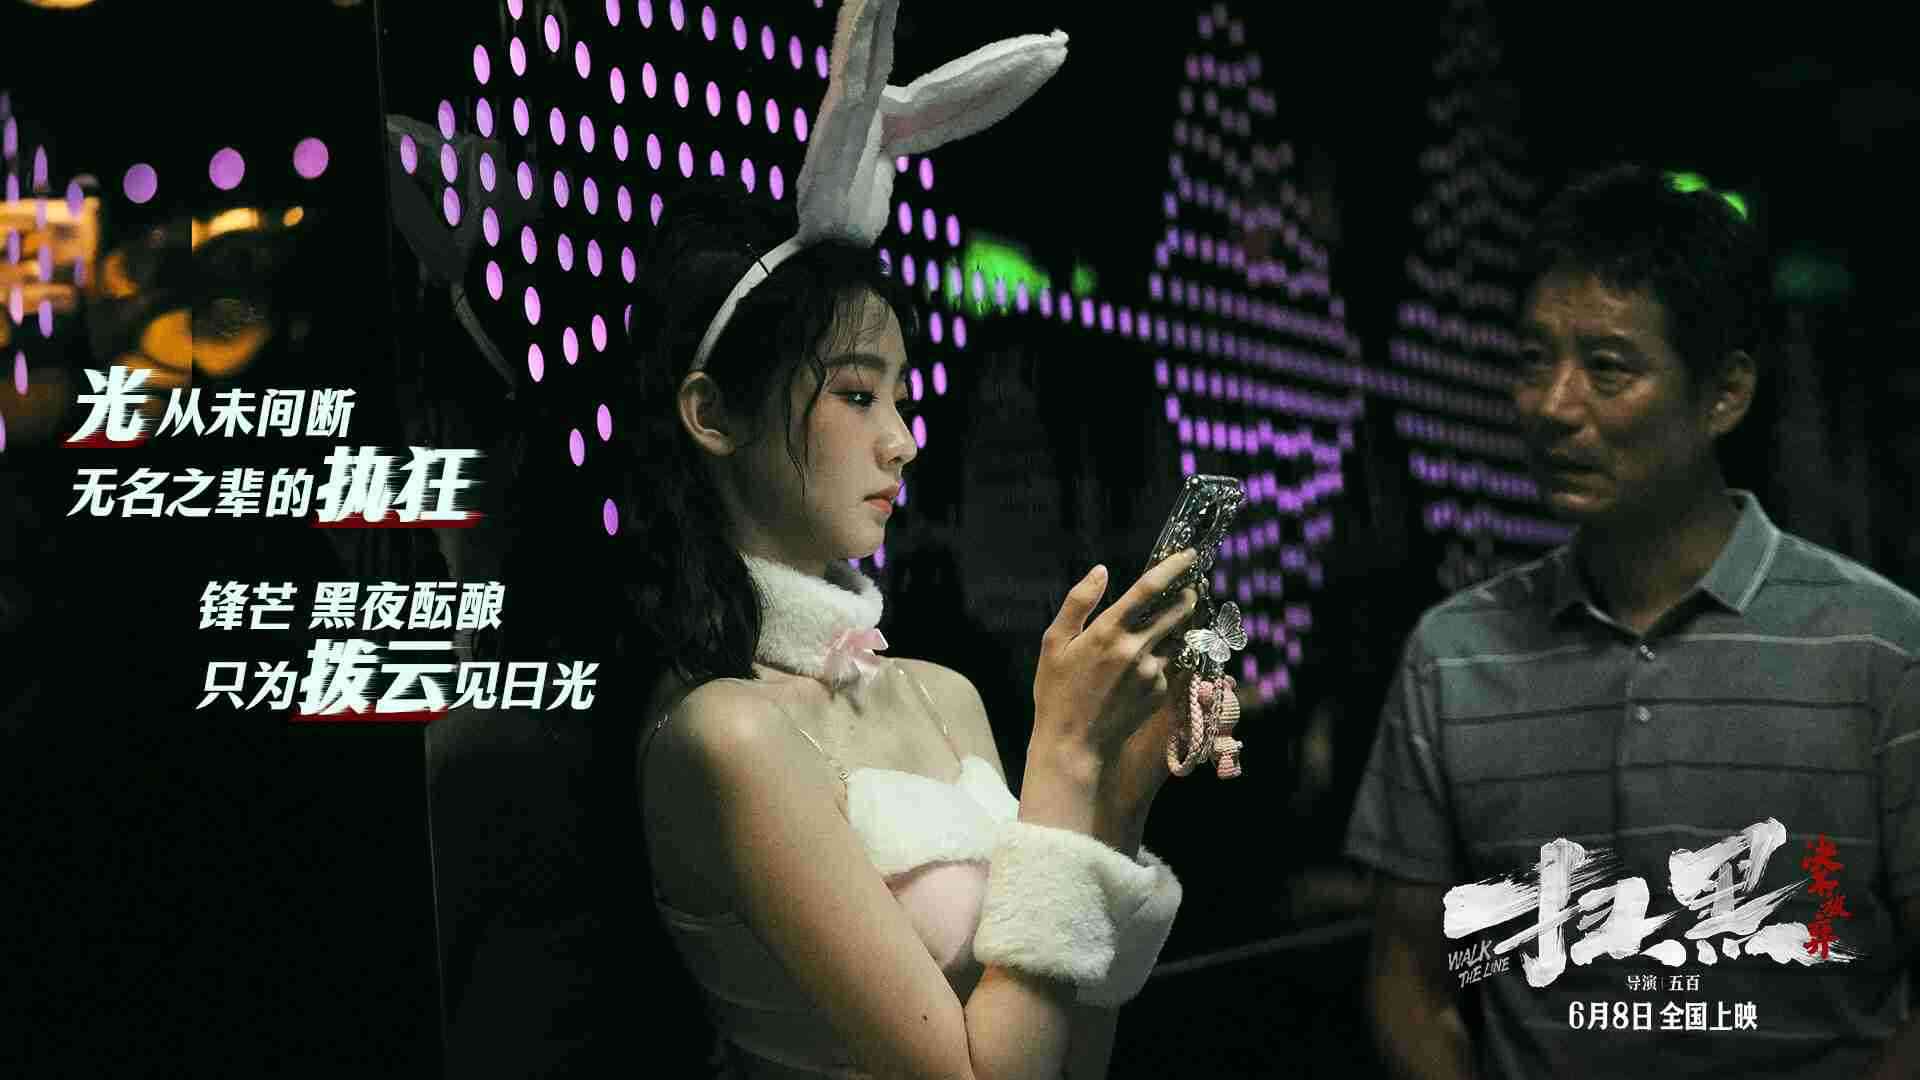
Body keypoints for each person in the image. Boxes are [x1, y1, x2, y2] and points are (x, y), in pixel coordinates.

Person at [1345, 162, 1920, 1079]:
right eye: (1533, 361)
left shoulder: (1882, 650)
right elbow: (1409, 975)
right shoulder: (1453, 657)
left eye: (1608, 369)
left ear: (1725, 394)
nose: (1553, 406)